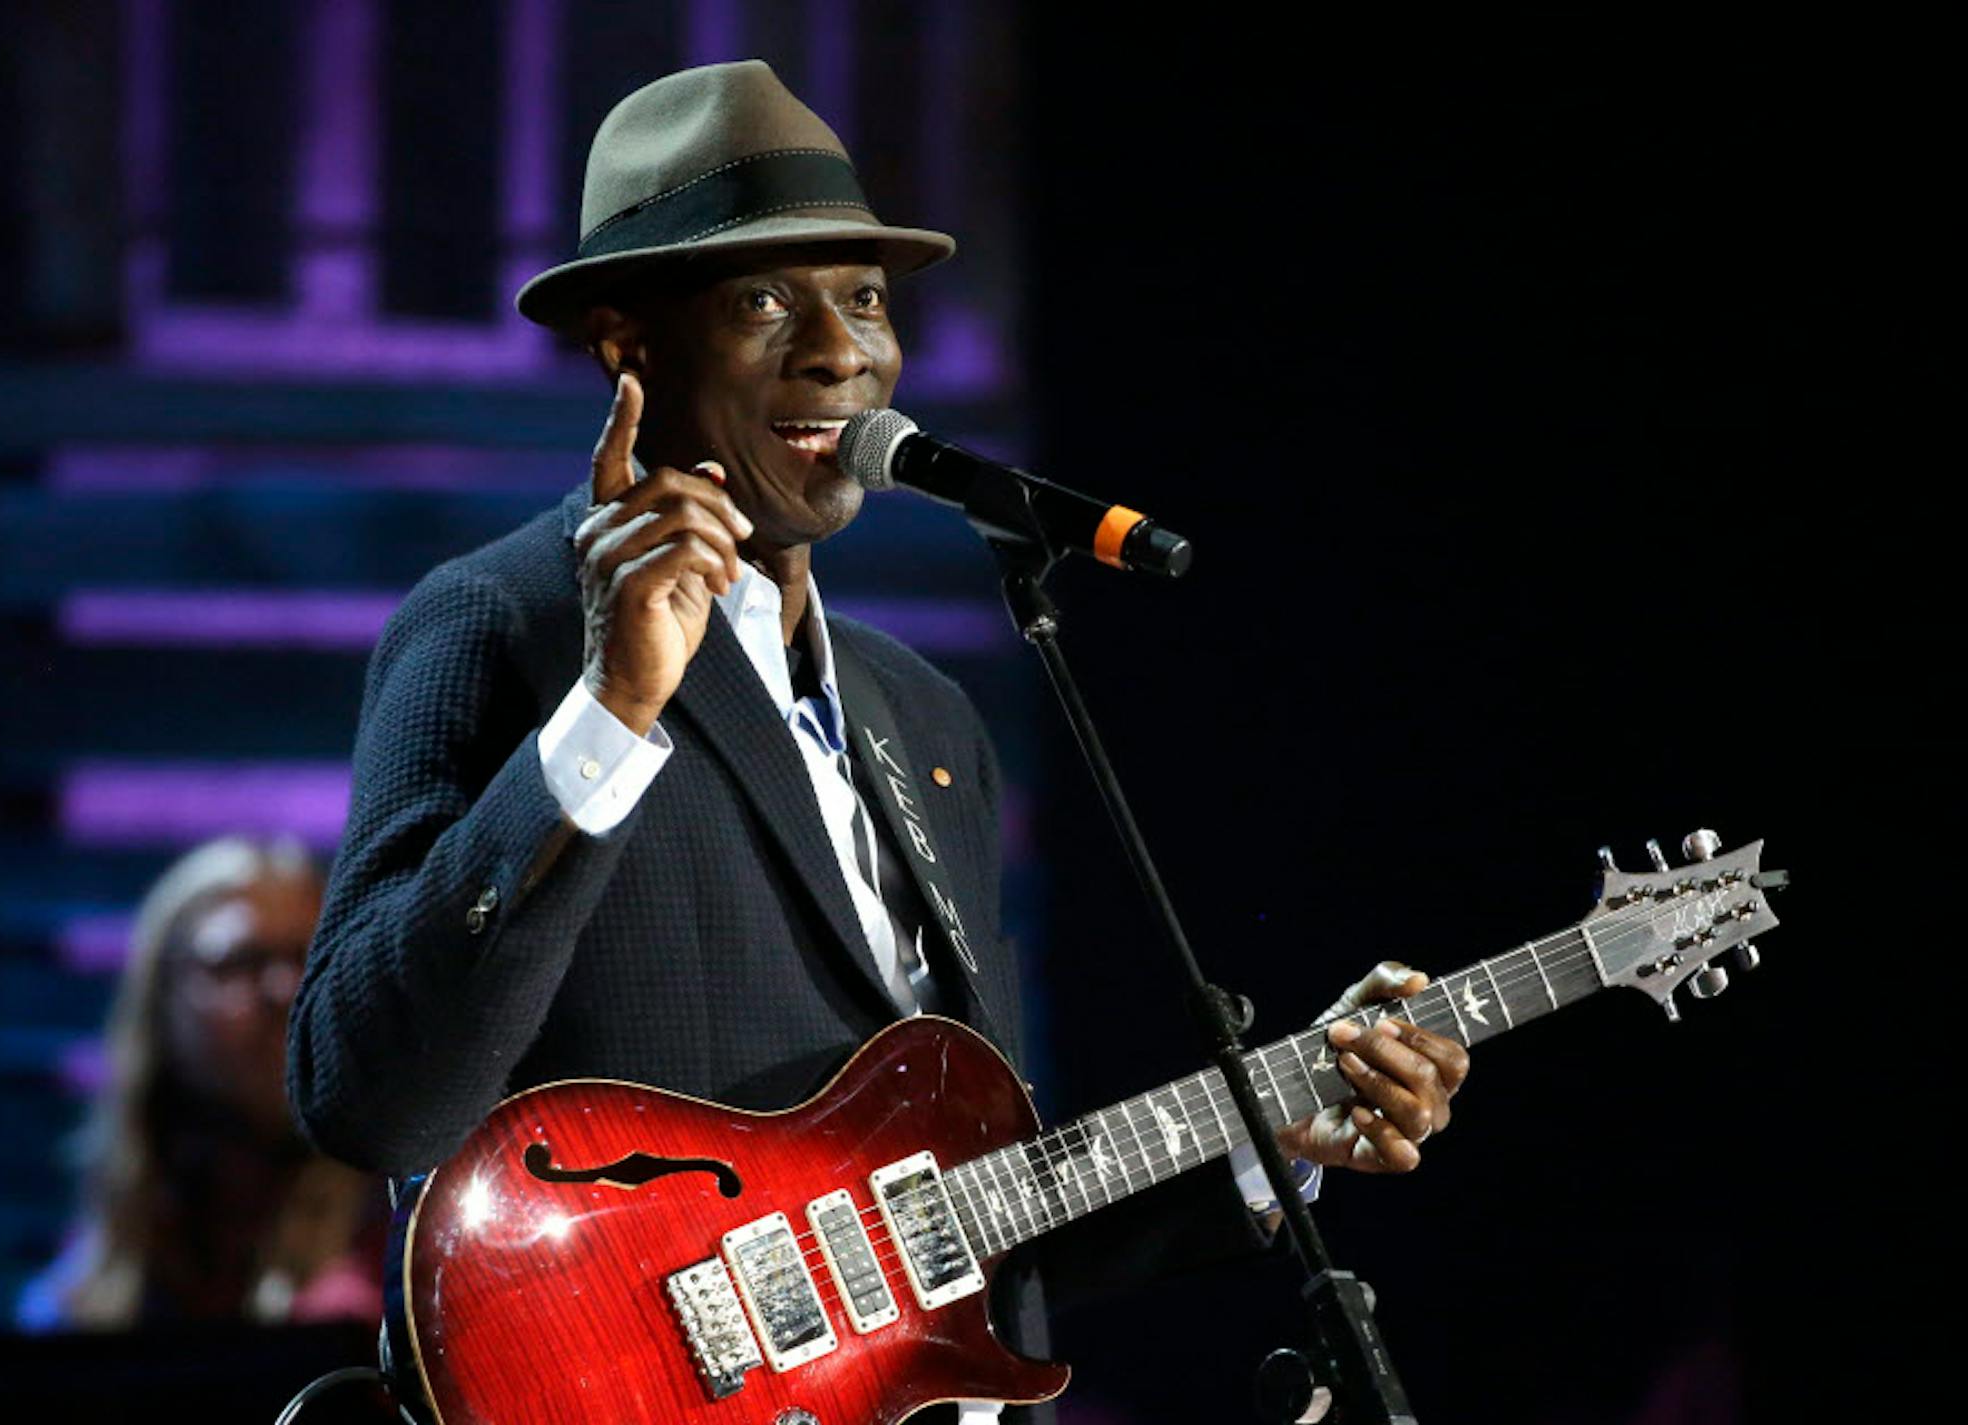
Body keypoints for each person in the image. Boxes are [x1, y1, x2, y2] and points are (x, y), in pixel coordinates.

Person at [286, 61, 1467, 1422]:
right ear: (625, 344)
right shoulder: (501, 623)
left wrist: (1271, 1138)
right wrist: (610, 711)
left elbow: (964, 1242)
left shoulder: (922, 714)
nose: (840, 351)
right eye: (764, 301)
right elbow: (367, 1095)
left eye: (863, 299)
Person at [20, 835, 383, 1330]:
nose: (286, 989)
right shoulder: (79, 1298)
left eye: (309, 957)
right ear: (161, 1000)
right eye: (241, 961)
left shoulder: (403, 1248)